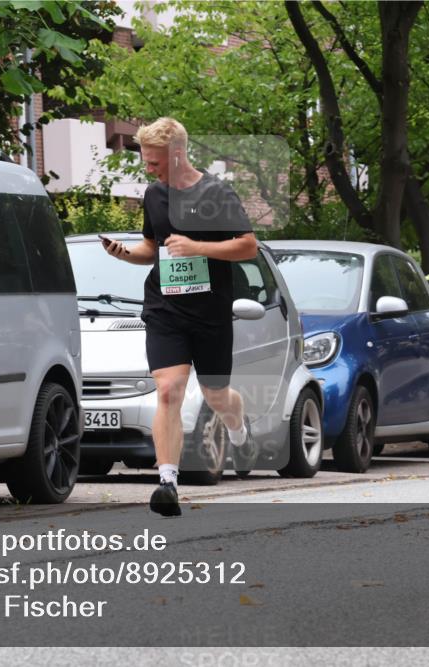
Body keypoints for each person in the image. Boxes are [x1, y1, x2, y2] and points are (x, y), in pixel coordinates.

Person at [102, 117, 258, 516]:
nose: (148, 170)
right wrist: (123, 252)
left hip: (210, 313)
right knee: (169, 389)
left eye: (154, 163)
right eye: (146, 162)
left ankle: (239, 429)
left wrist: (198, 247)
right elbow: (151, 249)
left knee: (217, 396)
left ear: (177, 154)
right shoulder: (154, 195)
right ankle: (167, 482)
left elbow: (248, 247)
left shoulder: (217, 193)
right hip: (165, 308)